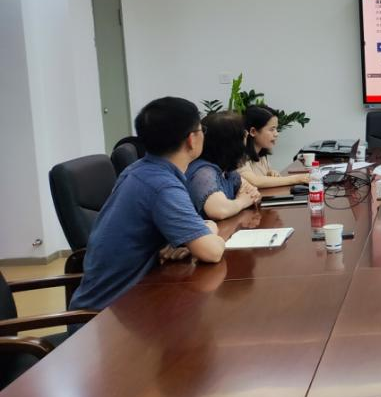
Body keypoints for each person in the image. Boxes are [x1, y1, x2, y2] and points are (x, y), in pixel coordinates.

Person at [69, 97, 226, 312]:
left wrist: (183, 242)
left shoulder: (139, 170)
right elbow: (211, 252)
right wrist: (210, 227)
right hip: (106, 316)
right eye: (202, 130)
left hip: (127, 302)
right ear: (192, 139)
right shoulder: (162, 185)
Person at [186, 111, 262, 219]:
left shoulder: (226, 170)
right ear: (231, 142)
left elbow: (251, 192)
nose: (246, 135)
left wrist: (248, 197)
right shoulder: (203, 172)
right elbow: (219, 211)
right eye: (243, 133)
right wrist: (242, 201)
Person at [238, 104, 311, 190]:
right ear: (253, 131)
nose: (276, 134)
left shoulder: (261, 154)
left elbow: (262, 177)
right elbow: (255, 181)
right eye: (272, 129)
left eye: (276, 129)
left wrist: (270, 173)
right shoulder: (239, 156)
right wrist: (297, 179)